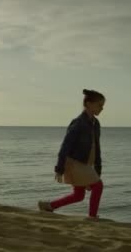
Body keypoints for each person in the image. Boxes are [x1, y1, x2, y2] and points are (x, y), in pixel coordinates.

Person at [38, 89, 105, 220]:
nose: (102, 108)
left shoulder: (95, 124)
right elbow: (65, 146)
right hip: (74, 163)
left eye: (102, 106)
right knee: (98, 185)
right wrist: (59, 168)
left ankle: (48, 206)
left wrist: (98, 169)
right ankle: (92, 217)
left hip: (85, 165)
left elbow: (97, 148)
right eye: (99, 105)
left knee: (78, 196)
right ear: (89, 104)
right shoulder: (78, 123)